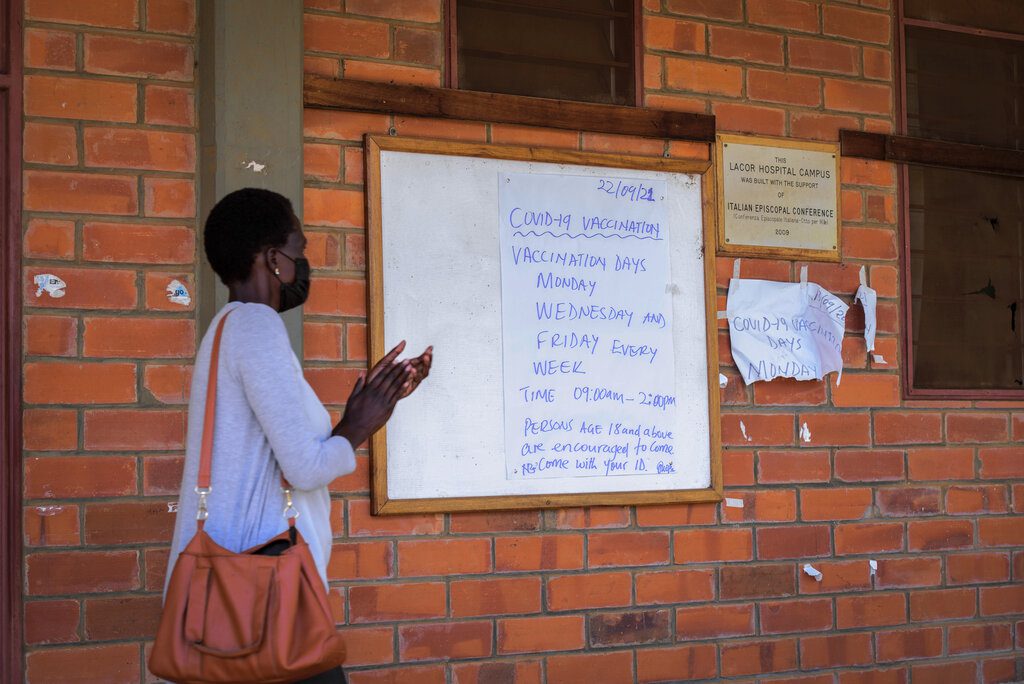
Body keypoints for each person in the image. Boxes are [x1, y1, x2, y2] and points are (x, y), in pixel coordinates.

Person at [164, 188, 432, 683]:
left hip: (231, 591)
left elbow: (284, 458)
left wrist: (362, 410)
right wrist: (359, 425)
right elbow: (304, 469)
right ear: (273, 259)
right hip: (262, 593)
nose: (304, 263)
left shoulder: (226, 329)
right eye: (300, 250)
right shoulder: (257, 328)